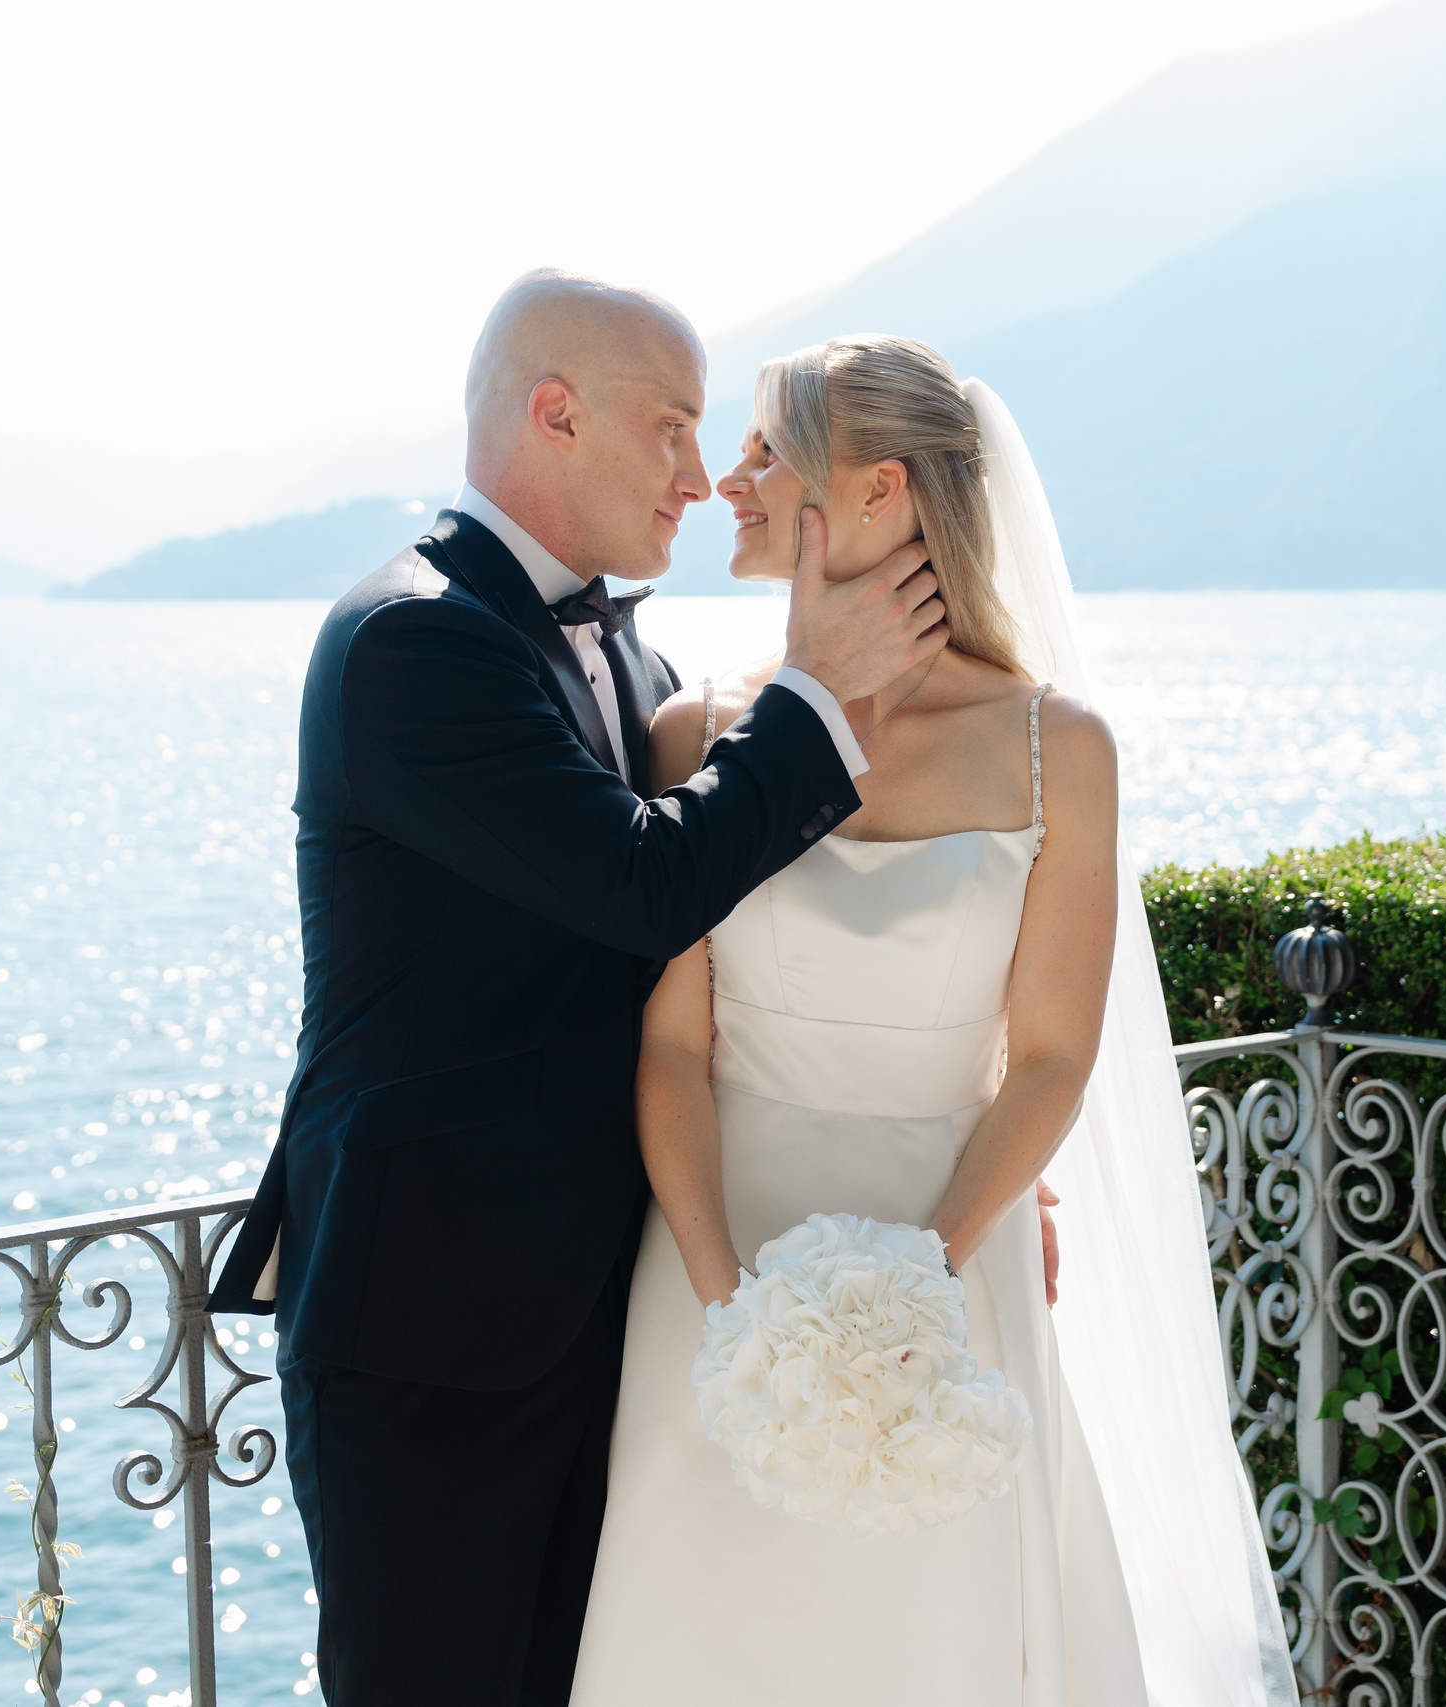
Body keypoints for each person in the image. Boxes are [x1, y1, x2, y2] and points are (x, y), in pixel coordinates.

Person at [207, 272, 950, 1706]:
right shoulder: (410, 640)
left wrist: (935, 1130)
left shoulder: (631, 654)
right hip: (432, 1326)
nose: (699, 476)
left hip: (611, 1309)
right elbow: (646, 885)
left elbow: (703, 977)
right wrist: (817, 692)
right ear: (556, 414)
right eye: (672, 428)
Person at [570, 337, 1295, 1705]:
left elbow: (1053, 1057)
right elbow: (671, 1046)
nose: (729, 478)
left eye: (769, 450)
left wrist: (924, 1273)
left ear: (879, 489)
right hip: (714, 1255)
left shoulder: (1057, 748)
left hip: (954, 1270)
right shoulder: (693, 734)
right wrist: (728, 1304)